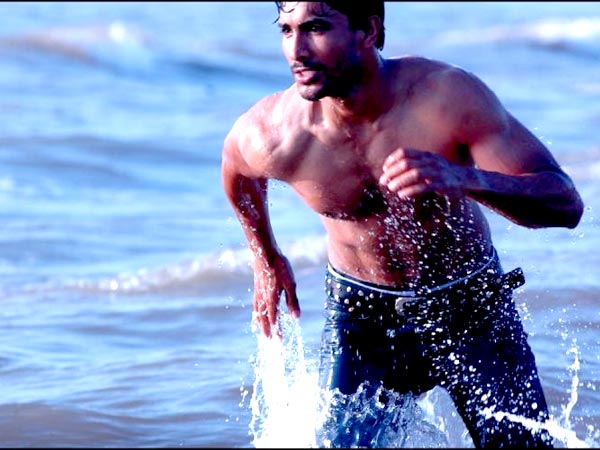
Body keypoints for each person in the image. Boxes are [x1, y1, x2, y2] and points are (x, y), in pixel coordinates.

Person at [221, 1, 584, 448]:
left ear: (369, 30)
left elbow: (565, 204)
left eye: (315, 28)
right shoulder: (277, 133)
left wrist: (465, 178)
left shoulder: (446, 98)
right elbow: (236, 171)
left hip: (470, 307)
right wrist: (265, 258)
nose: (296, 50)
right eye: (286, 30)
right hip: (361, 320)